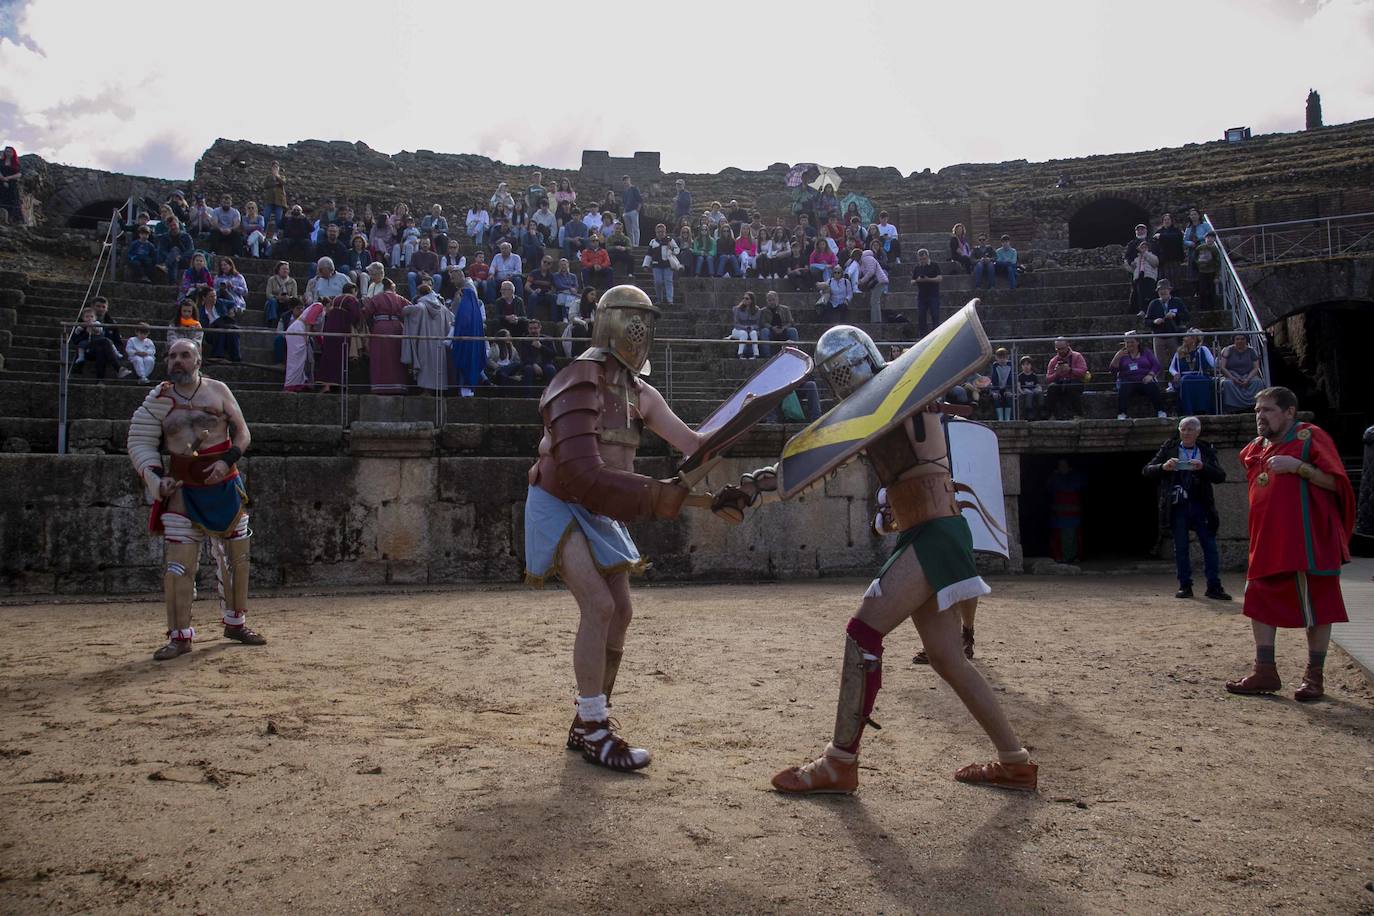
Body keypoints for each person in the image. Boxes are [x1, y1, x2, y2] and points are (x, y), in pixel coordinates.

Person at [755, 324, 1036, 794]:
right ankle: (1015, 761)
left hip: (933, 533)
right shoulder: (897, 392)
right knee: (948, 659)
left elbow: (826, 453)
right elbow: (819, 460)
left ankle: (839, 762)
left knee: (862, 632)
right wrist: (758, 483)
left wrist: (761, 483)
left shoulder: (889, 400)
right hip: (935, 528)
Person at [524, 285, 705, 772]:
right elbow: (580, 470)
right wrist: (656, 493)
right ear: (610, 323)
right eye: (632, 321)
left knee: (621, 610)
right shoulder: (580, 379)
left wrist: (745, 419)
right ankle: (595, 728)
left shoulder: (641, 393)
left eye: (645, 322)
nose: (638, 332)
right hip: (560, 503)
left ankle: (589, 719)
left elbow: (693, 442)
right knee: (600, 605)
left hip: (603, 509)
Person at [126, 338, 266, 660]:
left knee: (237, 558)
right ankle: (179, 636)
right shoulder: (158, 401)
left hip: (225, 484)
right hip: (181, 490)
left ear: (198, 359)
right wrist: (156, 479)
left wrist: (227, 460)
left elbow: (243, 433)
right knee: (178, 566)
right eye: (172, 356)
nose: (178, 361)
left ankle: (236, 623)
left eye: (184, 355)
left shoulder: (218, 391)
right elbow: (142, 443)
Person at [1225, 387, 1355, 701]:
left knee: (1318, 606)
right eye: (1257, 411)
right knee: (1259, 600)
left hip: (1310, 540)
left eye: (1268, 410)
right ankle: (1265, 670)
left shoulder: (1310, 438)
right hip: (1268, 542)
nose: (1260, 417)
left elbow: (1336, 483)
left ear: (1289, 412)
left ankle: (1314, 676)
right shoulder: (1255, 448)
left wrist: (1299, 468)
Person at [1143, 417, 1232, 600]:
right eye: (1183, 429)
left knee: (1210, 546)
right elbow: (1147, 470)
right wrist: (1164, 466)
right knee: (1181, 547)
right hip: (1178, 505)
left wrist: (1203, 467)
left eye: (1191, 429)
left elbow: (1220, 476)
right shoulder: (1169, 448)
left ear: (1198, 432)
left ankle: (1214, 586)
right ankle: (1185, 585)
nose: (1187, 432)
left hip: (1201, 504)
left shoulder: (1206, 450)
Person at [401, 285, 454, 393]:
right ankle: (438, 391)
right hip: (439, 343)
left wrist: (405, 309)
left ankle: (426, 392)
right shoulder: (442, 308)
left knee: (425, 367)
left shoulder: (421, 305)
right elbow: (452, 318)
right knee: (439, 367)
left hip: (425, 342)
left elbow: (407, 311)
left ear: (419, 294)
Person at [1109, 332, 1166, 419]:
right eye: (1127, 342)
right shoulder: (1121, 354)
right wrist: (1116, 358)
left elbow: (1156, 365)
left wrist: (1150, 375)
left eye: (1132, 342)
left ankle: (1160, 411)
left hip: (1144, 378)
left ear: (1137, 342)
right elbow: (1113, 371)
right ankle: (1122, 413)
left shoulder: (1146, 352)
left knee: (1152, 386)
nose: (1129, 344)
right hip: (1127, 380)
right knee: (1124, 387)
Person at [316, 286, 361, 393]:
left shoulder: (336, 298)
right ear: (354, 291)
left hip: (330, 328)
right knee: (340, 355)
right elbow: (355, 316)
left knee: (328, 355)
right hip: (342, 327)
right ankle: (339, 383)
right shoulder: (352, 299)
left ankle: (326, 385)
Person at [450, 286, 487, 397]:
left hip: (464, 343)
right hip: (474, 343)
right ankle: (470, 390)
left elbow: (462, 324)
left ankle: (463, 391)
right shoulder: (476, 308)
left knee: (463, 364)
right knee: (472, 364)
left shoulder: (464, 307)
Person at [1169, 330, 1215, 416]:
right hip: (1183, 378)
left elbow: (1213, 364)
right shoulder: (1179, 351)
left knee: (1191, 381)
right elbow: (1171, 368)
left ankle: (1202, 410)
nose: (1184, 338)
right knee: (1185, 381)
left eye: (1187, 337)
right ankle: (1188, 411)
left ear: (1193, 339)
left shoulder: (1202, 349)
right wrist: (1175, 373)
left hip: (1200, 376)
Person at [1049, 458, 1087, 563]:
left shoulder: (1077, 478)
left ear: (1069, 467)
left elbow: (1081, 486)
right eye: (1060, 466)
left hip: (1073, 516)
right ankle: (1060, 557)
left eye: (1064, 465)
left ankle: (1075, 557)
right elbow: (1049, 488)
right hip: (1058, 516)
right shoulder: (1054, 478)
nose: (1062, 468)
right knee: (1058, 537)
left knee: (1073, 537)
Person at [1218, 333, 1266, 413]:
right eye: (1237, 339)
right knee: (1227, 384)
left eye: (1242, 339)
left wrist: (1247, 379)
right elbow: (1222, 367)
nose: (1240, 341)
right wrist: (1232, 378)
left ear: (1246, 340)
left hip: (1248, 375)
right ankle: (1233, 408)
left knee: (1258, 382)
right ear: (1234, 340)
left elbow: (1256, 368)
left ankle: (1254, 406)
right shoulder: (1227, 350)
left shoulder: (1252, 351)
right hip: (1231, 375)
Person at [1045, 337, 1087, 419]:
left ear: (1068, 345)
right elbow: (1048, 379)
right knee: (1051, 388)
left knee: (1072, 387)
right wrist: (1057, 374)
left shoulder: (1077, 356)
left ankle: (1078, 414)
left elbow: (1083, 371)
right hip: (1059, 382)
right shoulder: (1053, 361)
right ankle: (1051, 415)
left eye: (1062, 348)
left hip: (1074, 381)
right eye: (1058, 349)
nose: (1060, 351)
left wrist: (1070, 370)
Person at [910, 248, 942, 337]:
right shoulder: (917, 268)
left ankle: (936, 335)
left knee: (935, 316)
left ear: (927, 257)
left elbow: (940, 278)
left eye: (924, 259)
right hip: (922, 296)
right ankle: (923, 336)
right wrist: (918, 280)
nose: (923, 261)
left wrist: (928, 279)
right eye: (921, 259)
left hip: (933, 295)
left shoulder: (934, 265)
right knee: (921, 317)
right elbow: (912, 282)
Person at [282, 299, 313, 392]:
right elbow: (279, 331)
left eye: (302, 308)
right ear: (292, 309)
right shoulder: (285, 317)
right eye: (298, 308)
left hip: (302, 338)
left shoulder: (304, 318)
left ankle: (303, 381)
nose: (301, 310)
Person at [1125, 240, 1160, 317]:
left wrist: (1145, 253)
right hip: (1139, 277)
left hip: (1149, 277)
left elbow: (1155, 263)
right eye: (1142, 247)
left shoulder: (1152, 256)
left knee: (1149, 294)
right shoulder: (1137, 258)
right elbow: (1131, 268)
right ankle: (1142, 310)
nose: (1143, 248)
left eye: (1145, 247)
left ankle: (1150, 310)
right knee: (1140, 295)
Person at [519, 318, 558, 385]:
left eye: (535, 328)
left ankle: (549, 394)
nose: (533, 330)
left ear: (540, 328)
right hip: (530, 364)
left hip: (545, 363)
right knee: (528, 369)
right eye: (531, 329)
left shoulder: (547, 339)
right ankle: (528, 395)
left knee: (551, 369)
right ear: (528, 329)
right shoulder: (525, 340)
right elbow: (524, 357)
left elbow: (553, 354)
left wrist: (541, 347)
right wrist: (534, 364)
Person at [648, 224, 679, 306]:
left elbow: (677, 250)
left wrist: (671, 248)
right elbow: (649, 254)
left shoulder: (670, 240)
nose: (660, 233)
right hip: (656, 265)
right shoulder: (653, 242)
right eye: (658, 232)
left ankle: (670, 300)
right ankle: (659, 298)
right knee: (658, 282)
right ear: (656, 232)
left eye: (662, 232)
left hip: (668, 265)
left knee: (668, 281)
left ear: (665, 232)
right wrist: (646, 265)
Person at [856, 245, 889, 323]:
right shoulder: (863, 261)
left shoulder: (867, 258)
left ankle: (876, 321)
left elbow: (871, 271)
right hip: (876, 282)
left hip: (879, 281)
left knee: (874, 301)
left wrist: (862, 281)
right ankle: (876, 320)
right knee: (874, 301)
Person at [760, 290, 796, 357]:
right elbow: (763, 323)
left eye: (773, 300)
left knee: (793, 331)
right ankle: (767, 356)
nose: (772, 302)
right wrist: (772, 328)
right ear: (767, 301)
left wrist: (783, 328)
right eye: (769, 300)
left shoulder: (785, 309)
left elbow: (790, 322)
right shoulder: (763, 311)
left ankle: (795, 354)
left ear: (777, 299)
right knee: (764, 331)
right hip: (771, 332)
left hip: (783, 330)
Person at [157, 217, 193, 282]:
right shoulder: (164, 237)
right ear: (168, 226)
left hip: (184, 260)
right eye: (171, 226)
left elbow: (190, 250)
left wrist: (180, 257)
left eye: (174, 225)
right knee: (174, 258)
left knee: (175, 250)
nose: (173, 227)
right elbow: (162, 251)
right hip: (172, 260)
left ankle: (165, 265)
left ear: (178, 224)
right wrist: (172, 257)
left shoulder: (186, 236)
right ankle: (173, 281)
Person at [407, 236, 443, 301]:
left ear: (430, 245)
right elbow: (411, 266)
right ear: (420, 244)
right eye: (423, 243)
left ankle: (433, 298)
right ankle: (414, 298)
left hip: (430, 276)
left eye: (427, 243)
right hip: (418, 275)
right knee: (410, 275)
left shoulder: (434, 255)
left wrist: (429, 274)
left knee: (438, 277)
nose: (425, 245)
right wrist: (418, 272)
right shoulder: (415, 255)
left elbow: (436, 268)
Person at [1151, 213, 1185, 278]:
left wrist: (1161, 236)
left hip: (1174, 259)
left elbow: (1176, 238)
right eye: (1165, 220)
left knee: (1175, 280)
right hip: (1162, 260)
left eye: (1168, 219)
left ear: (1171, 221)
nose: (1167, 221)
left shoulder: (1176, 231)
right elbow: (1154, 245)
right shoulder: (1159, 231)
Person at [1183, 208, 1214, 277]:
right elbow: (1184, 240)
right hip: (1193, 250)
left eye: (1195, 214)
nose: (1193, 216)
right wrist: (1190, 243)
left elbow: (1211, 234)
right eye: (1192, 215)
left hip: (1204, 249)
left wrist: (1199, 238)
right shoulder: (1189, 228)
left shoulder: (1205, 225)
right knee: (1194, 271)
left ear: (1199, 215)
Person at [729, 293, 761, 359]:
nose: (744, 300)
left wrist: (751, 327)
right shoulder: (737, 309)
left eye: (747, 298)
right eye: (743, 298)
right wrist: (745, 327)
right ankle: (740, 354)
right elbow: (736, 324)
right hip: (738, 330)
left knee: (754, 333)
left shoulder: (757, 310)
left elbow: (758, 324)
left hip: (750, 330)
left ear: (751, 300)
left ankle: (756, 354)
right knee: (744, 333)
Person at [987, 348, 1015, 421]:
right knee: (996, 397)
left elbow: (1011, 378)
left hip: (1008, 387)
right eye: (1000, 358)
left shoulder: (1010, 365)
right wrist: (996, 391)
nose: (1002, 360)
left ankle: (1007, 418)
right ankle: (1000, 417)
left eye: (1004, 358)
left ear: (1007, 357)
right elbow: (994, 379)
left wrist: (1008, 389)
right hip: (997, 388)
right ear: (996, 358)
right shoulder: (995, 366)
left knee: (1009, 396)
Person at [1016, 356, 1044, 421]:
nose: (1026, 366)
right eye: (1023, 365)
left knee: (1039, 393)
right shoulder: (1020, 376)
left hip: (1033, 389)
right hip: (1025, 390)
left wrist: (1040, 390)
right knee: (1029, 393)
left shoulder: (1034, 375)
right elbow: (1018, 386)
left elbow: (1037, 385)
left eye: (1028, 364)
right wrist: (1021, 392)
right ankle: (1029, 410)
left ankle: (1042, 408)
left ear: (1031, 365)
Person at [263, 161, 287, 231]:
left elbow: (283, 183)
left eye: (276, 167)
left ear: (278, 168)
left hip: (279, 201)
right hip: (269, 200)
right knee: (266, 217)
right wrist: (275, 183)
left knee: (278, 218)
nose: (275, 168)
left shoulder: (282, 176)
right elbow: (265, 185)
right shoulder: (268, 177)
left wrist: (277, 176)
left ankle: (276, 234)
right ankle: (264, 232)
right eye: (274, 167)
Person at [0, 145, 21, 223]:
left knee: (12, 201)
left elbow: (19, 174)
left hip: (12, 185)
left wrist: (7, 178)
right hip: (1, 184)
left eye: (10, 151)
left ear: (13, 153)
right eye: (6, 151)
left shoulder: (15, 163)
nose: (8, 153)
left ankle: (11, 220)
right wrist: (3, 179)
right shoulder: (1, 161)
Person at [620, 175, 642, 246]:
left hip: (633, 210)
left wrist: (638, 209)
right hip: (626, 212)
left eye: (626, 180)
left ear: (629, 180)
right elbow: (624, 202)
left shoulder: (634, 188)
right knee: (629, 230)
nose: (625, 182)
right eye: (624, 181)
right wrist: (624, 212)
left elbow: (639, 199)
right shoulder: (625, 191)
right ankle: (631, 243)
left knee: (635, 228)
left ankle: (636, 244)